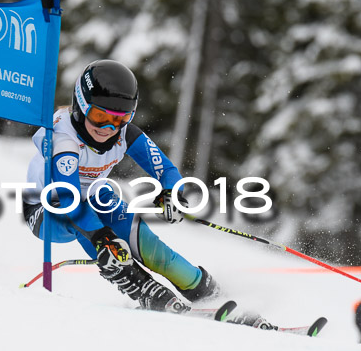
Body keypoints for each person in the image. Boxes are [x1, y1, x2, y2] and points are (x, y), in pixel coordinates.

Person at [22, 59, 218, 313]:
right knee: (106, 241)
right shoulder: (64, 140)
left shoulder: (124, 134)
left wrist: (172, 192)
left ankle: (205, 290)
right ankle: (143, 288)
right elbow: (68, 197)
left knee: (145, 242)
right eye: (99, 116)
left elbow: (166, 170)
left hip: (93, 196)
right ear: (81, 106)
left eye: (120, 118)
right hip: (47, 208)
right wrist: (102, 237)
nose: (108, 128)